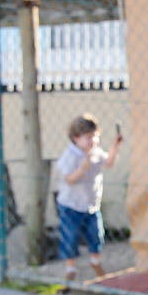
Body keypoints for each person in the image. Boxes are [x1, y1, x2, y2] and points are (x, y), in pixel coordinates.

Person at [54, 113, 121, 281]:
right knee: (70, 237)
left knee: (96, 235)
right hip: (71, 206)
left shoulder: (95, 152)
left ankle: (95, 261)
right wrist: (82, 169)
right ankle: (70, 268)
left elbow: (109, 162)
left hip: (91, 205)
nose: (93, 141)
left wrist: (115, 146)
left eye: (95, 136)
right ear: (76, 138)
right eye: (88, 137)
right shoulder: (71, 155)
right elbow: (68, 179)